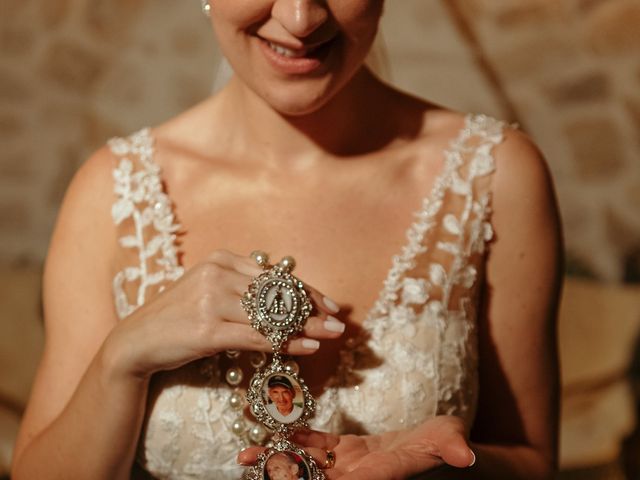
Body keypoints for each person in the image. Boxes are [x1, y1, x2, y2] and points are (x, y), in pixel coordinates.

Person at [11, 1, 562, 479]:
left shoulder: (496, 175)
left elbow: (532, 463)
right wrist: (122, 358)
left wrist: (441, 468)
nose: (300, 18)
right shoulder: (112, 191)